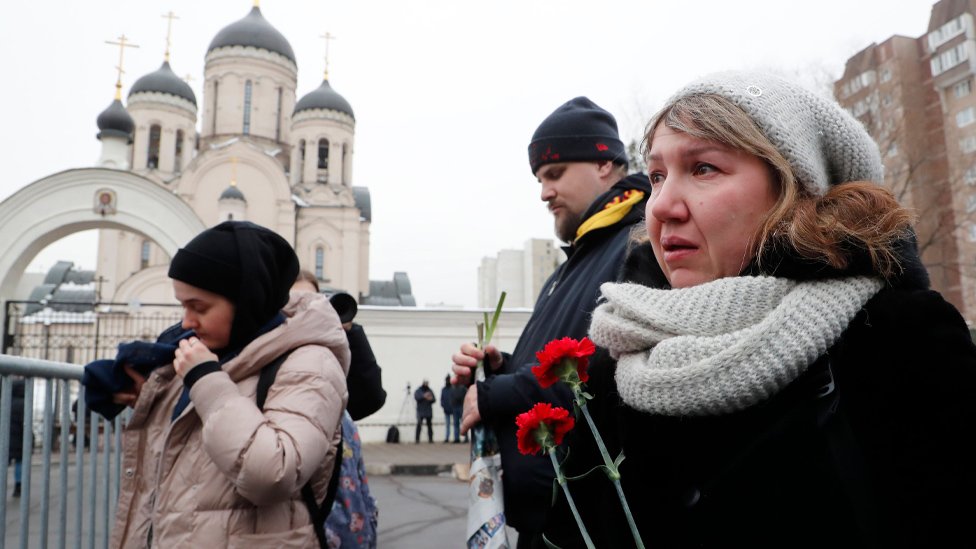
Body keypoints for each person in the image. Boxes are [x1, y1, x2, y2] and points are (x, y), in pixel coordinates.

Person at [543, 71, 976, 548]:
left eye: (704, 168)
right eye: (658, 175)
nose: (662, 204)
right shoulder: (623, 356)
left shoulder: (896, 337)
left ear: (795, 190)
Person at [451, 96, 655, 546]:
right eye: (540, 178)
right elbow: (560, 358)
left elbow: (605, 372)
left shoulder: (639, 245)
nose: (544, 192)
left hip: (595, 524)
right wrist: (498, 367)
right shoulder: (570, 266)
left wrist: (499, 392)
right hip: (548, 521)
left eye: (555, 174)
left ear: (604, 164)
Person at [104, 221, 349, 547]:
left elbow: (272, 473)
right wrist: (154, 400)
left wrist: (206, 381)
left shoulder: (309, 363)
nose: (186, 322)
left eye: (199, 307)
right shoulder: (219, 354)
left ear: (247, 299)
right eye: (183, 305)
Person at [292, 270, 380, 549]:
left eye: (313, 301)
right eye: (296, 303)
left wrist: (349, 332)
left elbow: (369, 397)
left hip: (346, 519)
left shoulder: (333, 353)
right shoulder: (272, 359)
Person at [3, 377, 25, 497]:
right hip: (19, 439)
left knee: (3, 462)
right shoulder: (24, 403)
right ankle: (18, 486)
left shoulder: (5, 400)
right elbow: (25, 423)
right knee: (19, 462)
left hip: (5, 437)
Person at [449, 378, 468, 443]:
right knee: (456, 424)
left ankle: (466, 438)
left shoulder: (462, 387)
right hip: (455, 407)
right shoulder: (452, 388)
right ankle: (456, 438)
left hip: (461, 407)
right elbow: (451, 398)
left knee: (464, 423)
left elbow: (466, 396)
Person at [440, 375, 457, 443]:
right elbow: (442, 399)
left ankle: (456, 438)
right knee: (448, 425)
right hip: (447, 409)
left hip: (453, 409)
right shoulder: (444, 389)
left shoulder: (453, 388)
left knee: (455, 424)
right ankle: (447, 437)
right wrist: (443, 406)